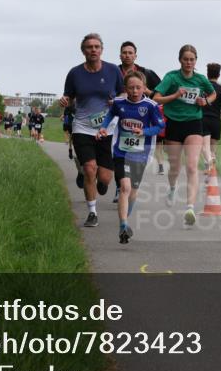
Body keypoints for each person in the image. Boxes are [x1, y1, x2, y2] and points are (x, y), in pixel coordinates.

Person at [59, 33, 125, 228]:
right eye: (89, 47)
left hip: (107, 128)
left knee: (104, 178)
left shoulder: (113, 70)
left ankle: (98, 181)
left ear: (102, 50)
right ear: (83, 51)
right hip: (83, 127)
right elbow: (68, 98)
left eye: (97, 46)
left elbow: (122, 92)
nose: (93, 50)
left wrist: (118, 100)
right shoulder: (75, 73)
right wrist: (65, 101)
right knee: (90, 169)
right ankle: (92, 212)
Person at [96, 72, 165, 244]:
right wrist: (104, 128)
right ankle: (123, 226)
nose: (135, 91)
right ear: (125, 89)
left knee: (133, 190)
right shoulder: (119, 103)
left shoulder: (150, 106)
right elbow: (110, 115)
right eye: (131, 88)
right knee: (125, 187)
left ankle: (125, 219)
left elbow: (160, 126)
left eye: (138, 88)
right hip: (121, 152)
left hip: (141, 153)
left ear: (144, 88)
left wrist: (144, 131)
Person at [153, 44, 216, 226]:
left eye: (192, 59)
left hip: (194, 124)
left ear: (196, 61)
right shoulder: (172, 77)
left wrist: (205, 101)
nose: (189, 62)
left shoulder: (200, 79)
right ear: (180, 60)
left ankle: (189, 207)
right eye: (185, 59)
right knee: (175, 168)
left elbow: (212, 94)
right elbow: (156, 98)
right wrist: (174, 95)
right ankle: (172, 188)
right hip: (174, 124)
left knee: (191, 166)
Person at [115, 41, 161, 203]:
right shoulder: (114, 71)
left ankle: (125, 185)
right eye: (124, 52)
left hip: (139, 116)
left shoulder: (146, 72)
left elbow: (159, 92)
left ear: (135, 55)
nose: (127, 55)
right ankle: (120, 184)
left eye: (130, 52)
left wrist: (147, 92)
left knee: (133, 149)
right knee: (118, 150)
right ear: (120, 55)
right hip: (118, 114)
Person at [200, 62, 221, 168]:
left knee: (205, 148)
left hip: (203, 119)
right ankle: (211, 170)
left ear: (207, 74)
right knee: (213, 149)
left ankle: (208, 166)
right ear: (219, 75)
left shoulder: (202, 87)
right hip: (215, 121)